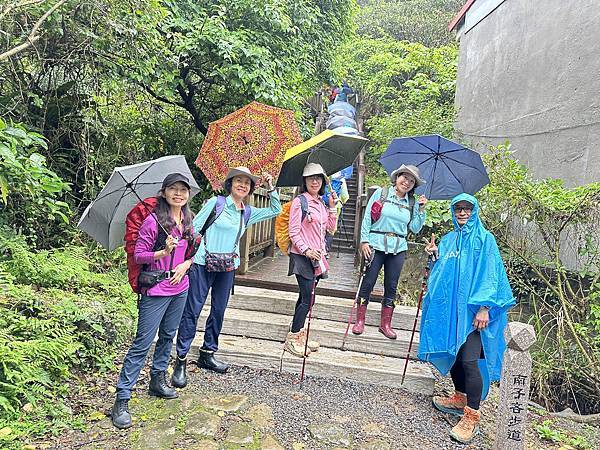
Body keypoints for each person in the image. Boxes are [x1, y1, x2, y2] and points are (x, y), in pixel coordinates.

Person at [418, 193, 515, 444]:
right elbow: (443, 274)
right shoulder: (449, 241)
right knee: (456, 358)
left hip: (474, 316)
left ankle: (472, 416)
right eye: (458, 208)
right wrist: (434, 256)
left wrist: (485, 307)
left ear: (475, 211)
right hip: (452, 314)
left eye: (467, 208)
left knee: (471, 361)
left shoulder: (485, 240)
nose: (462, 212)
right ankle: (459, 397)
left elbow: (491, 274)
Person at [172, 167, 281, 385]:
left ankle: (208, 353)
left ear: (250, 188)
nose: (242, 184)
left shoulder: (247, 212)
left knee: (219, 311)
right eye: (238, 180)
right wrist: (193, 257)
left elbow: (275, 210)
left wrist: (271, 186)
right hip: (203, 264)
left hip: (228, 267)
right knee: (192, 310)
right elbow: (194, 230)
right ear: (230, 184)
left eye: (247, 183)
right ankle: (181, 360)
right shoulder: (216, 204)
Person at [111, 173, 195, 429]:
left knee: (168, 335)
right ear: (164, 192)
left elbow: (193, 251)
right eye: (173, 189)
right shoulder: (152, 222)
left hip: (180, 287)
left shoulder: (188, 220)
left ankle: (157, 380)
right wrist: (163, 251)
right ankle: (121, 399)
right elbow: (138, 256)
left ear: (188, 194)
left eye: (183, 189)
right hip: (156, 289)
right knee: (142, 343)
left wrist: (186, 264)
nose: (178, 194)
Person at [353, 164, 428, 338]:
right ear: (397, 177)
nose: (407, 182)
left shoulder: (412, 202)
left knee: (391, 285)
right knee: (368, 281)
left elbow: (415, 228)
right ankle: (360, 321)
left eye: (411, 181)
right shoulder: (382, 193)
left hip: (398, 247)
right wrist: (364, 241)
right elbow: (367, 218)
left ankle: (385, 324)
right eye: (405, 177)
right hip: (376, 243)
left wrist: (422, 210)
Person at [284, 163, 338, 357]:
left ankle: (297, 333)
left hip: (317, 257)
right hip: (302, 257)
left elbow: (330, 228)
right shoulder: (300, 202)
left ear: (323, 181)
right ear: (304, 181)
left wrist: (332, 208)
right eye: (310, 178)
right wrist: (306, 250)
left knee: (305, 298)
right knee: (308, 298)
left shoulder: (321, 203)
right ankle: (293, 338)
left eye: (318, 178)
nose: (314, 181)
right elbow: (293, 231)